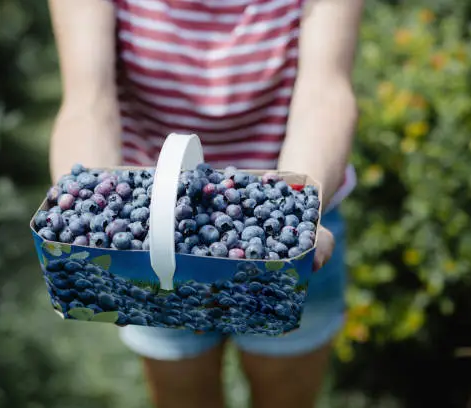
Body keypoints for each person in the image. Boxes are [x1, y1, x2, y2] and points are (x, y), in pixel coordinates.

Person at [47, 0, 362, 407]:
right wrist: (88, 219)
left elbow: (325, 92)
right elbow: (88, 101)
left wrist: (298, 207)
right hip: (152, 241)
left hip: (293, 242)